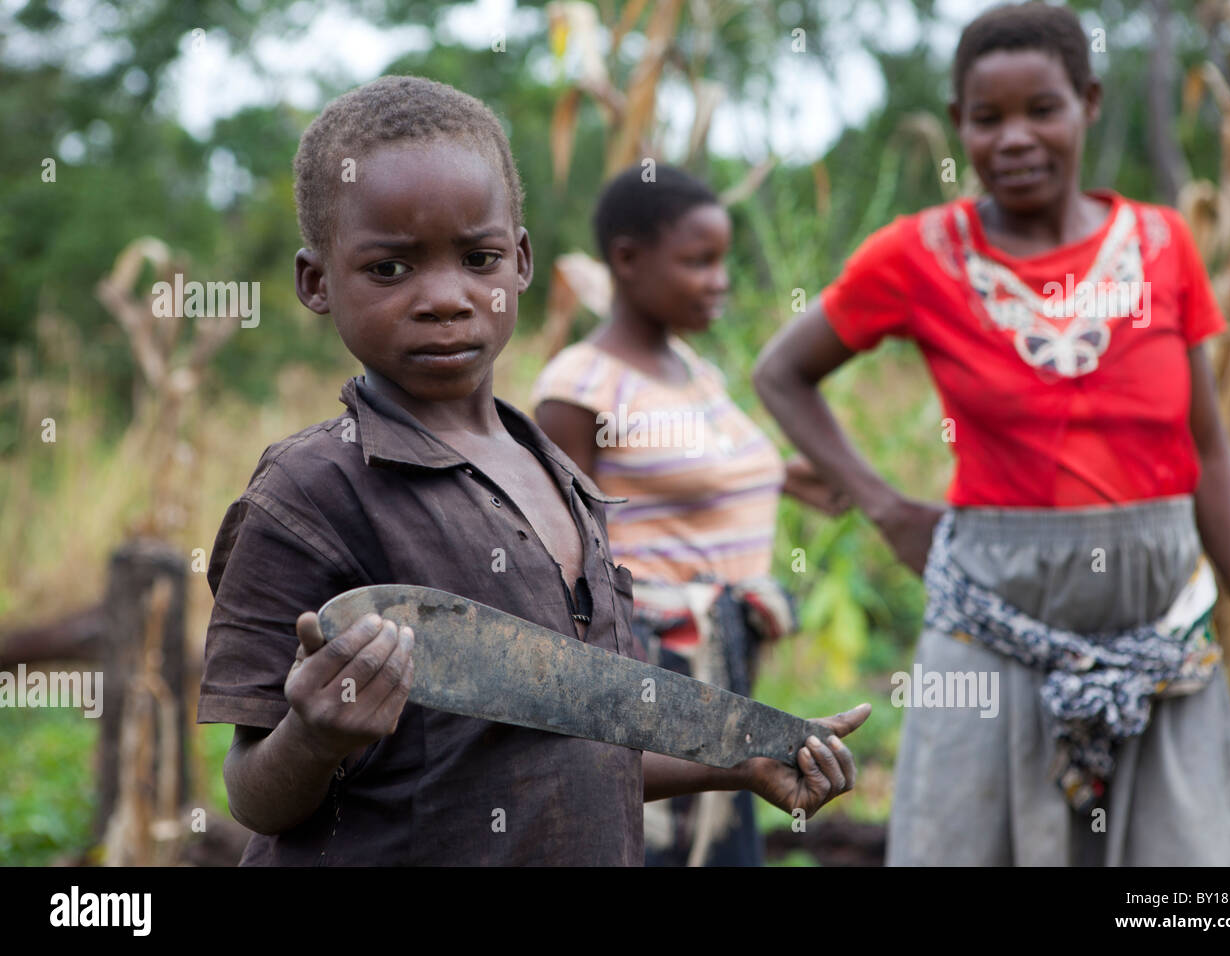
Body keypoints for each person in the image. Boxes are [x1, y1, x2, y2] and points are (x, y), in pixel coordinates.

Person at [195, 75, 868, 866]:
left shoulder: (562, 477)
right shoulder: (313, 491)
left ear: (519, 261)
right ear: (316, 281)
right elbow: (253, 792)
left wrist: (741, 758)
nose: (445, 298)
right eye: (389, 270)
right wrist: (312, 734)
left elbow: (583, 742)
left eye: (477, 258)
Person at [753, 1, 1230, 866]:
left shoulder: (1162, 245)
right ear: (960, 125)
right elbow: (781, 371)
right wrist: (888, 509)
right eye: (986, 118)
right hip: (992, 624)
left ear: (1087, 100)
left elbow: (1211, 454)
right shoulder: (917, 255)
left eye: (1040, 109)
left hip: (1162, 627)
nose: (1013, 138)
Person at [532, 165, 850, 866]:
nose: (719, 280)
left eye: (723, 261)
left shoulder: (688, 367)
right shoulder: (581, 385)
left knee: (726, 829)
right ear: (626, 259)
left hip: (721, 654)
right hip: (651, 663)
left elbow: (711, 468)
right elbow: (553, 548)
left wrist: (816, 480)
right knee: (655, 839)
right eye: (698, 261)